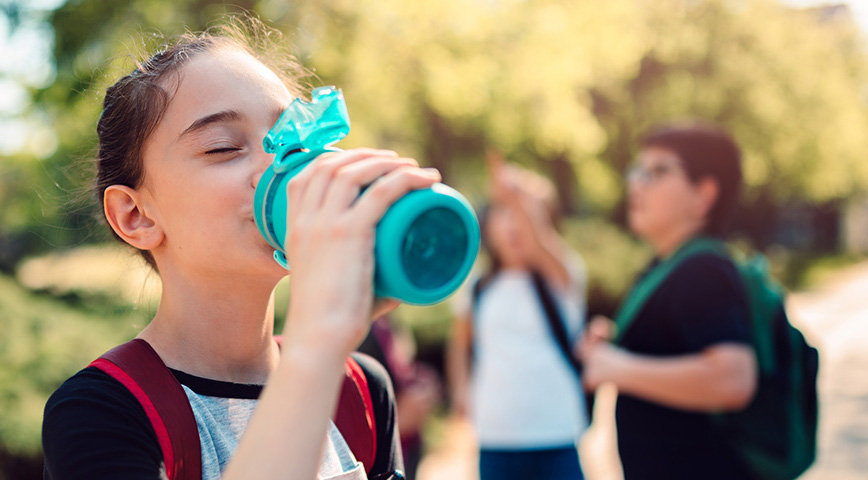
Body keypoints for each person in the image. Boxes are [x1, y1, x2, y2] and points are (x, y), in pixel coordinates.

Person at [41, 17, 444, 480]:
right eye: (223, 147)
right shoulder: (102, 412)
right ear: (137, 216)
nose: (278, 168)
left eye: (292, 142)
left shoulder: (359, 390)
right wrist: (318, 344)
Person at [577, 122, 759, 479]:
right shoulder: (670, 265)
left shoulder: (703, 270)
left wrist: (617, 367)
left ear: (703, 195)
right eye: (638, 170)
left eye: (658, 171)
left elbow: (733, 379)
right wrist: (616, 342)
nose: (637, 183)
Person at [447, 150, 588, 480]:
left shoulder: (563, 276)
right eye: (504, 211)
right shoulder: (478, 287)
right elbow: (460, 344)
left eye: (526, 213)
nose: (515, 223)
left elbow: (540, 239)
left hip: (556, 433)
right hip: (496, 436)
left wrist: (518, 196)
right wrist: (461, 391)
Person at [357, 316, 441, 480]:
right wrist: (396, 421)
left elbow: (402, 372)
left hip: (405, 449)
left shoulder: (390, 325)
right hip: (380, 456)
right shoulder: (359, 331)